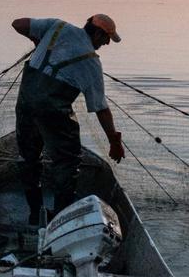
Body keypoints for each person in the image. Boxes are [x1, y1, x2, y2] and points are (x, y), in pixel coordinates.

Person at [11, 14, 126, 226]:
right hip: (53, 112)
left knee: (28, 159)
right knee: (67, 162)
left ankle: (34, 214)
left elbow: (17, 24)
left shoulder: (56, 27)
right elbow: (101, 109)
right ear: (98, 33)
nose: (107, 43)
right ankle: (60, 220)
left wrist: (37, 42)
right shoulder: (91, 63)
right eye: (107, 38)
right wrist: (114, 142)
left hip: (25, 105)